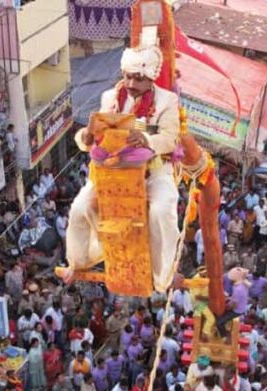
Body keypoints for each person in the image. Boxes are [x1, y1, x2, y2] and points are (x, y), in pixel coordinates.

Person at [60, 44, 180, 292]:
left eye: (138, 78)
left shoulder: (167, 101)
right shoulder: (110, 98)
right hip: (112, 173)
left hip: (153, 171)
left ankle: (161, 275)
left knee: (161, 211)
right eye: (127, 76)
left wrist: (145, 138)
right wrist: (86, 138)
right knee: (79, 208)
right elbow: (94, 134)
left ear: (151, 79)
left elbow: (170, 139)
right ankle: (79, 261)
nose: (131, 83)